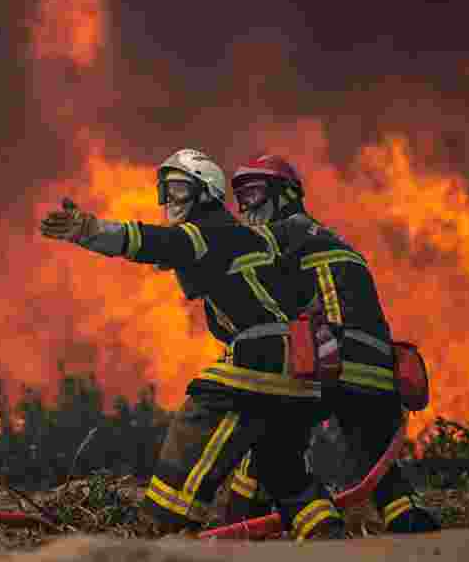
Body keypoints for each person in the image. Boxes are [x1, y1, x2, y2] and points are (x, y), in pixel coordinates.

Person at [39, 149, 345, 540]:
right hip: (299, 369)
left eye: (180, 190)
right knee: (280, 466)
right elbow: (301, 295)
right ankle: (326, 534)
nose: (170, 202)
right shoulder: (247, 238)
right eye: (165, 192)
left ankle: (162, 532)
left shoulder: (207, 229)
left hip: (262, 358)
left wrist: (91, 230)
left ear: (207, 193)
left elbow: (152, 242)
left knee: (194, 423)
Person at [224, 154, 440, 533]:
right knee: (373, 452)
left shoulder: (276, 236)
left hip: (330, 361)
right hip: (377, 369)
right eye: (241, 198)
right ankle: (407, 517)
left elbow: (254, 303)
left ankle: (313, 520)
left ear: (286, 195)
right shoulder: (330, 238)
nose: (246, 208)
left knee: (272, 442)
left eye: (255, 194)